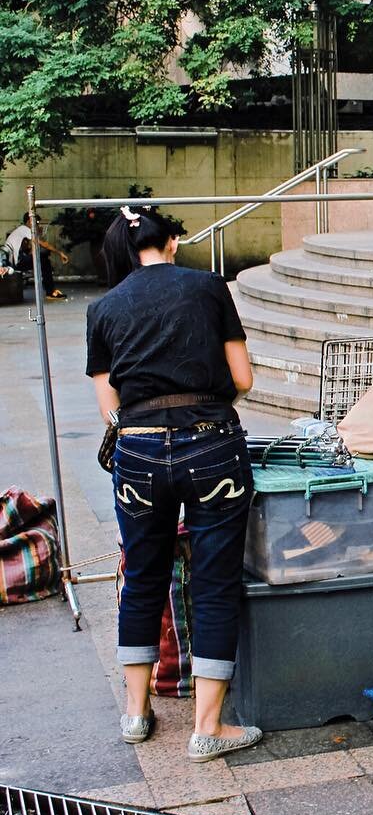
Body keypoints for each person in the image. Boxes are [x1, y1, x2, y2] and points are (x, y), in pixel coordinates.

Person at [86, 205, 263, 762]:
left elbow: (108, 408)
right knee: (212, 582)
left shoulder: (102, 307)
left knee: (141, 577)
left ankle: (137, 714)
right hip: (209, 443)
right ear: (173, 241)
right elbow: (242, 378)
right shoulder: (208, 287)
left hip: (136, 453)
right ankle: (208, 727)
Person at [3, 221, 69, 300]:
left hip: (14, 261)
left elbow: (31, 249)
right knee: (43, 258)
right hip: (13, 263)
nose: (38, 225)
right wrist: (60, 253)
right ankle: (50, 291)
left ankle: (49, 289)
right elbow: (43, 244)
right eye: (37, 223)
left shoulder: (21, 232)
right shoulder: (24, 229)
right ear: (30, 221)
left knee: (42, 258)